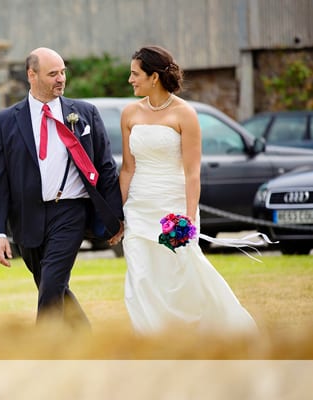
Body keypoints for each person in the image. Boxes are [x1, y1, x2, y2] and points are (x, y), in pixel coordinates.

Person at [111, 45, 257, 334]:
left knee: (180, 277)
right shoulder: (129, 113)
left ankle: (199, 331)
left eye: (135, 74)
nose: (130, 80)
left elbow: (192, 173)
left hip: (174, 206)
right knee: (140, 276)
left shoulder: (185, 114)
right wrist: (116, 214)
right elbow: (127, 168)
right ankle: (150, 339)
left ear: (154, 77)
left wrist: (188, 219)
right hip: (138, 208)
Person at [0, 48, 124, 329]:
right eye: (52, 74)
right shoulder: (6, 120)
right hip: (26, 217)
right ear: (31, 75)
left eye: (63, 72)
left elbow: (106, 169)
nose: (61, 79)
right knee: (52, 285)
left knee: (52, 282)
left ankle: (44, 352)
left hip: (70, 212)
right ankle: (86, 343)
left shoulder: (84, 113)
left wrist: (116, 217)